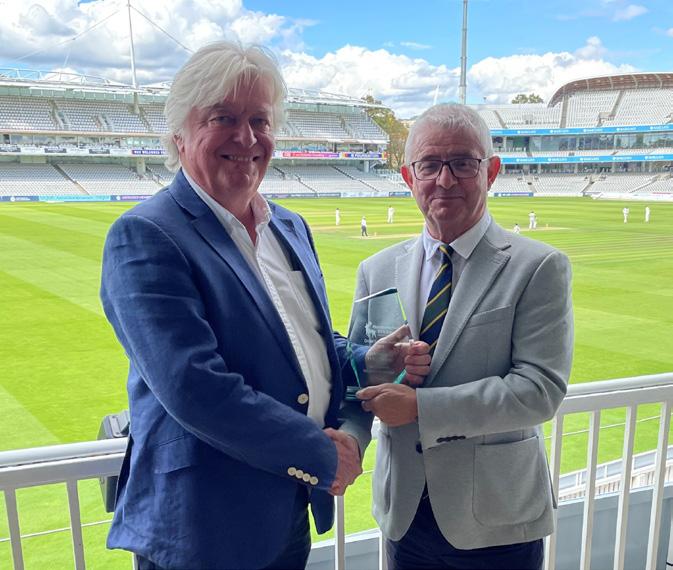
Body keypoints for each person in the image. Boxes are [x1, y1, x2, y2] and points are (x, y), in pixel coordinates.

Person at [100, 41, 381, 570]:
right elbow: (194, 386)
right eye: (223, 117)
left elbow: (305, 342)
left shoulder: (289, 227)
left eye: (260, 120)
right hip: (202, 529)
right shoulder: (146, 234)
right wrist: (322, 453)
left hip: (284, 514)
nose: (247, 137)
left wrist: (368, 359)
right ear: (180, 135)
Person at [354, 103, 574, 570]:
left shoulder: (538, 267)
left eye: (462, 163)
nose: (445, 179)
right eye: (429, 164)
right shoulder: (376, 270)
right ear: (408, 176)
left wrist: (420, 407)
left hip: (498, 518)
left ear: (491, 171)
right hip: (404, 515)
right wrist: (365, 395)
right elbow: (359, 372)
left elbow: (540, 391)